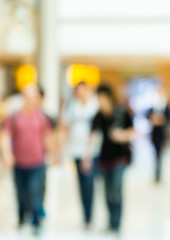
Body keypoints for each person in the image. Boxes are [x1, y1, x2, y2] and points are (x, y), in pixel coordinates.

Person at [1, 84, 58, 235]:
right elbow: (5, 136)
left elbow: (47, 137)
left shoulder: (42, 117)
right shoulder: (13, 116)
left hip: (37, 162)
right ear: (23, 97)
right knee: (20, 191)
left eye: (34, 97)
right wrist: (7, 154)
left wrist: (54, 154)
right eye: (29, 96)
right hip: (19, 162)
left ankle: (36, 222)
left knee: (35, 190)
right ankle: (21, 218)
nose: (32, 100)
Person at [83, 85, 134, 235]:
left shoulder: (121, 112)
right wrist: (87, 157)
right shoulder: (98, 115)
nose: (100, 101)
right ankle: (111, 222)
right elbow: (91, 136)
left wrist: (122, 135)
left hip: (120, 158)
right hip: (104, 159)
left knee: (115, 190)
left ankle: (117, 223)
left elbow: (133, 131)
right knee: (106, 192)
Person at [59, 81, 99, 228]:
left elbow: (96, 131)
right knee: (81, 184)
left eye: (83, 90)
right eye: (78, 91)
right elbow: (64, 127)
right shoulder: (70, 106)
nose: (80, 93)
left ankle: (89, 216)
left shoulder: (95, 105)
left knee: (89, 183)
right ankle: (85, 215)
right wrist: (60, 150)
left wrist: (88, 153)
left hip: (91, 151)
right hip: (75, 150)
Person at [147, 85, 170, 183]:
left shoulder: (166, 106)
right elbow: (148, 116)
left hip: (162, 134)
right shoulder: (155, 105)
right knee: (156, 155)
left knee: (160, 155)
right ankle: (157, 174)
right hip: (155, 134)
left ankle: (159, 174)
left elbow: (168, 120)